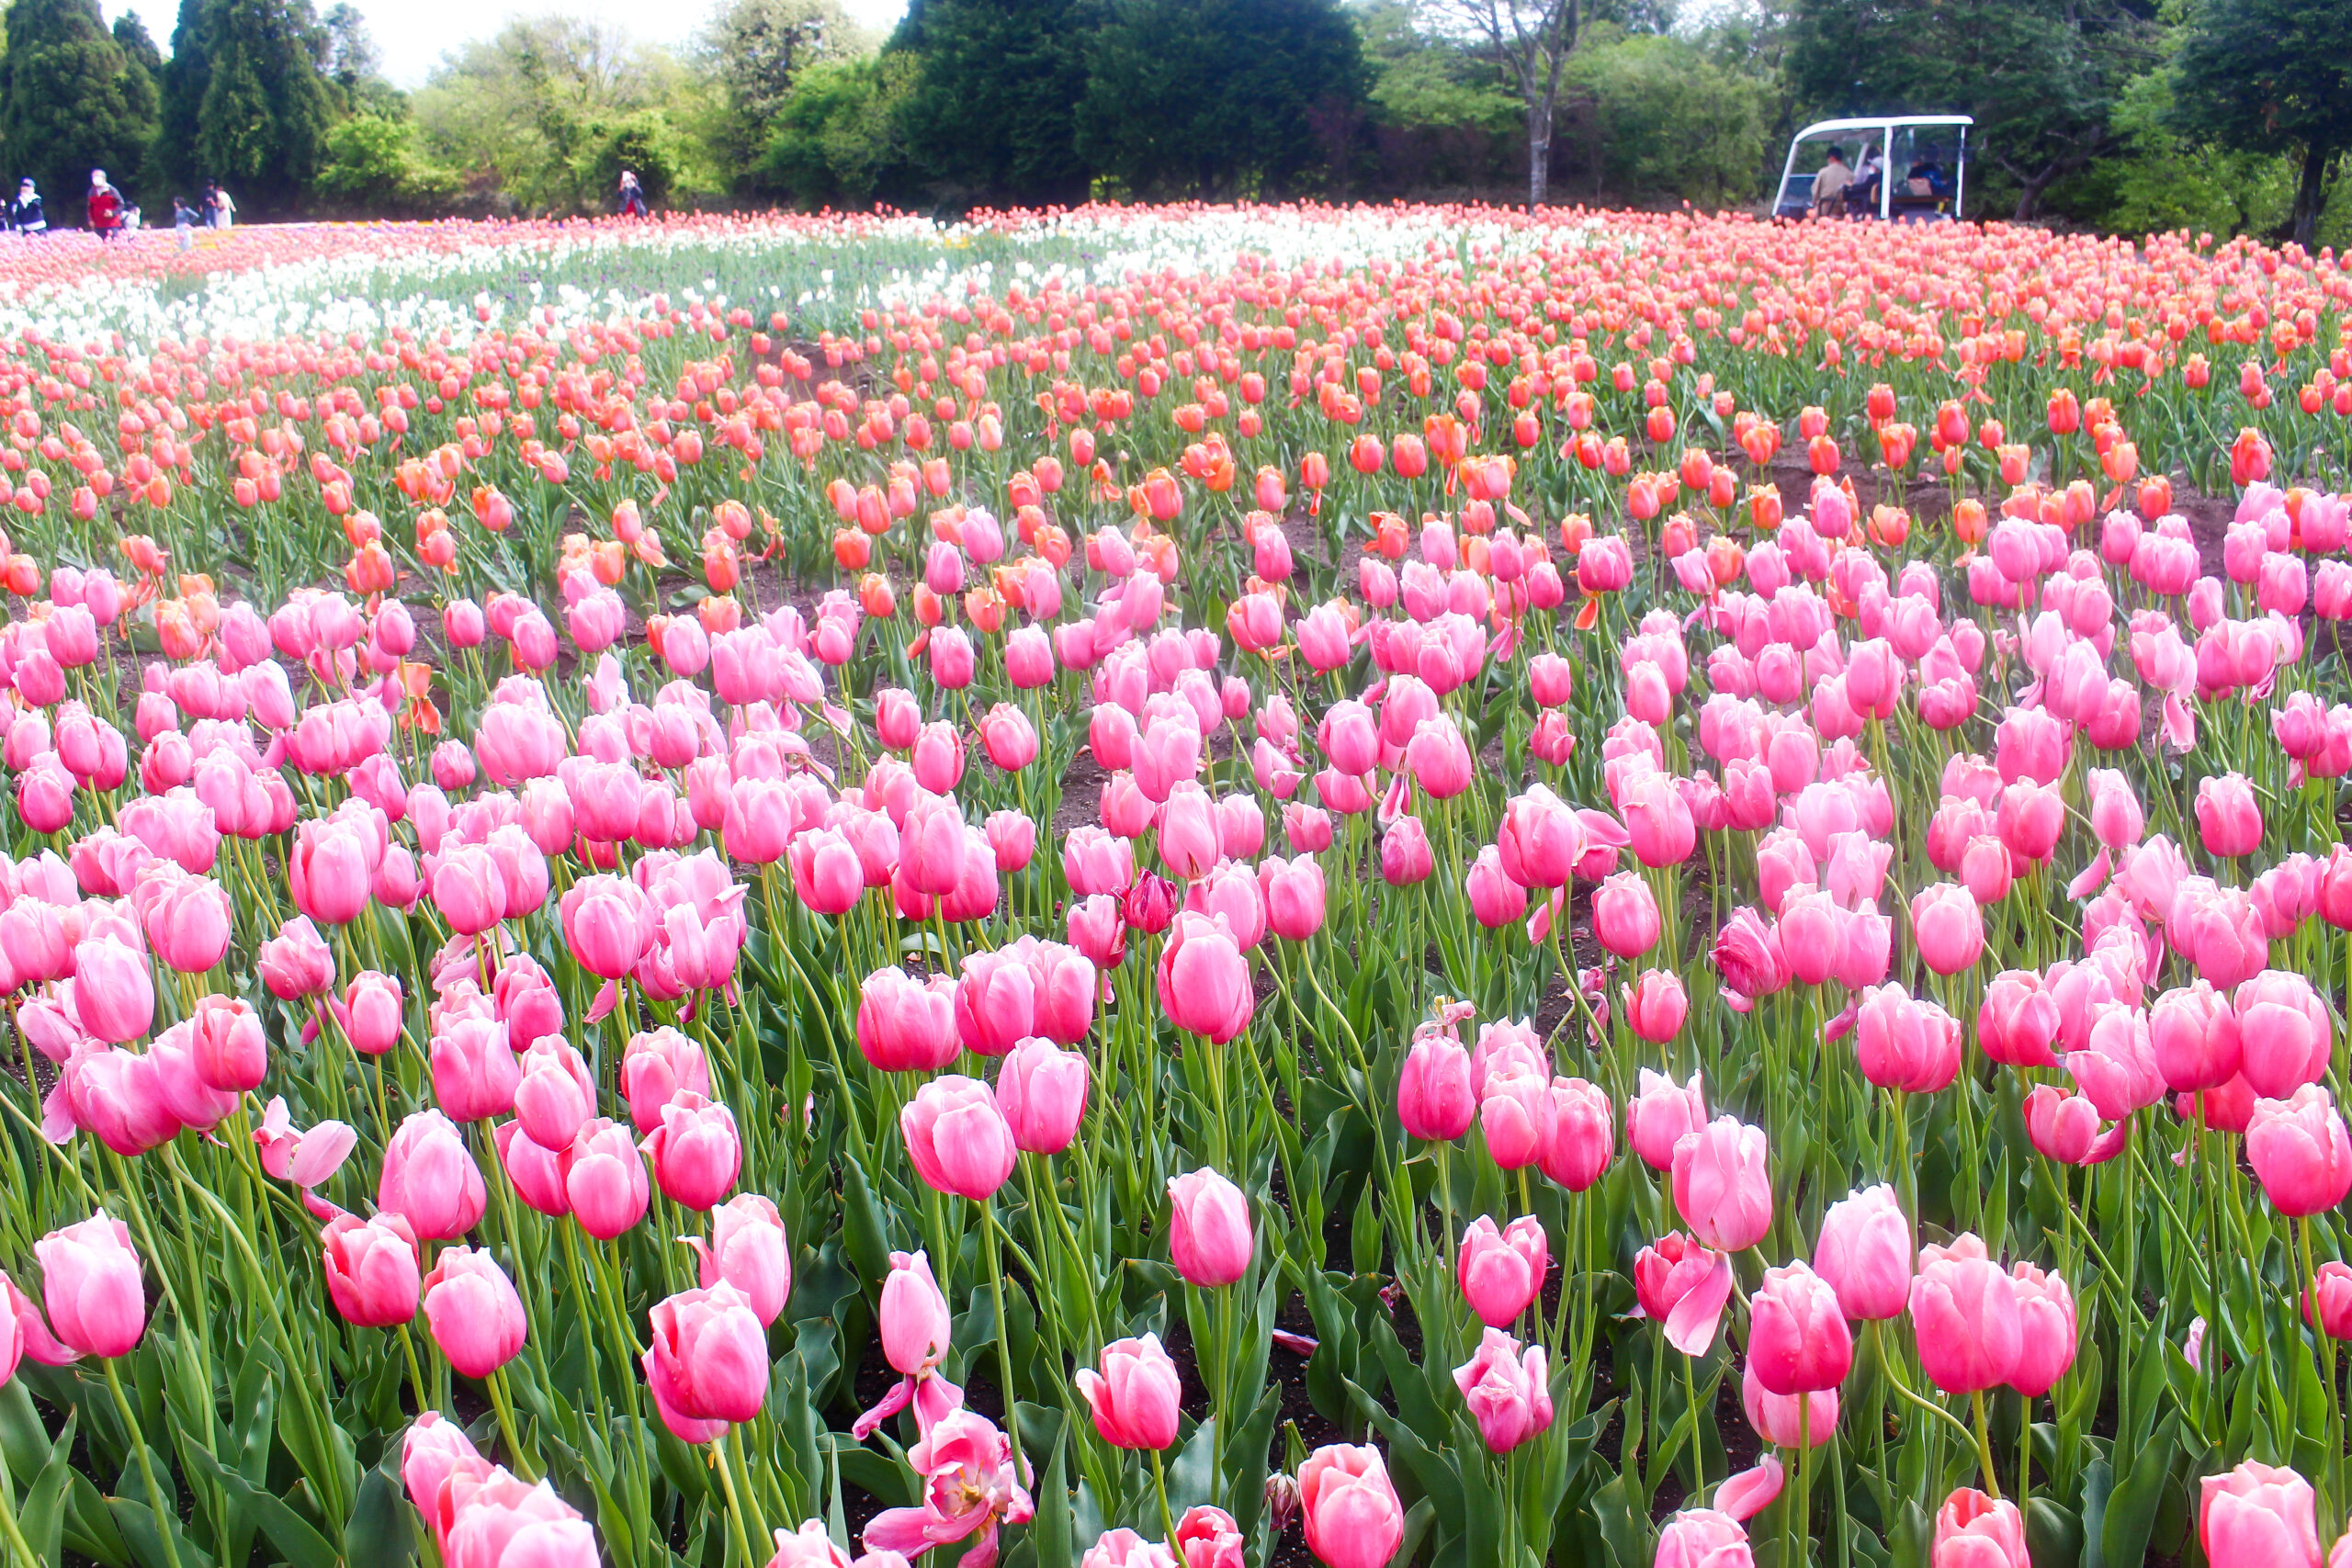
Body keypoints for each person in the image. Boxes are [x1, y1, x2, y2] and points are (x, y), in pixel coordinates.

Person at [1809, 147, 1851, 217]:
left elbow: (1815, 191)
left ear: (1831, 157)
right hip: (1842, 211)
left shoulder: (1823, 172)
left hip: (1823, 210)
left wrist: (1814, 203)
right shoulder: (1849, 174)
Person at [1845, 144, 1883, 218]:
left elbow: (1864, 187)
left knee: (1849, 195)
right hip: (1873, 196)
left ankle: (1852, 215)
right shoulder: (1881, 177)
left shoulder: (1873, 177)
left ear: (1876, 168)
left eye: (1872, 165)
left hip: (1867, 197)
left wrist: (1852, 186)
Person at [87, 169, 121, 240]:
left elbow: (121, 204)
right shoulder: (91, 192)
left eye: (97, 176)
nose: (95, 179)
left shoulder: (111, 190)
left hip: (112, 224)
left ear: (104, 179)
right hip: (98, 225)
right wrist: (90, 220)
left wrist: (113, 213)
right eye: (93, 177)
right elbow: (90, 208)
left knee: (114, 244)